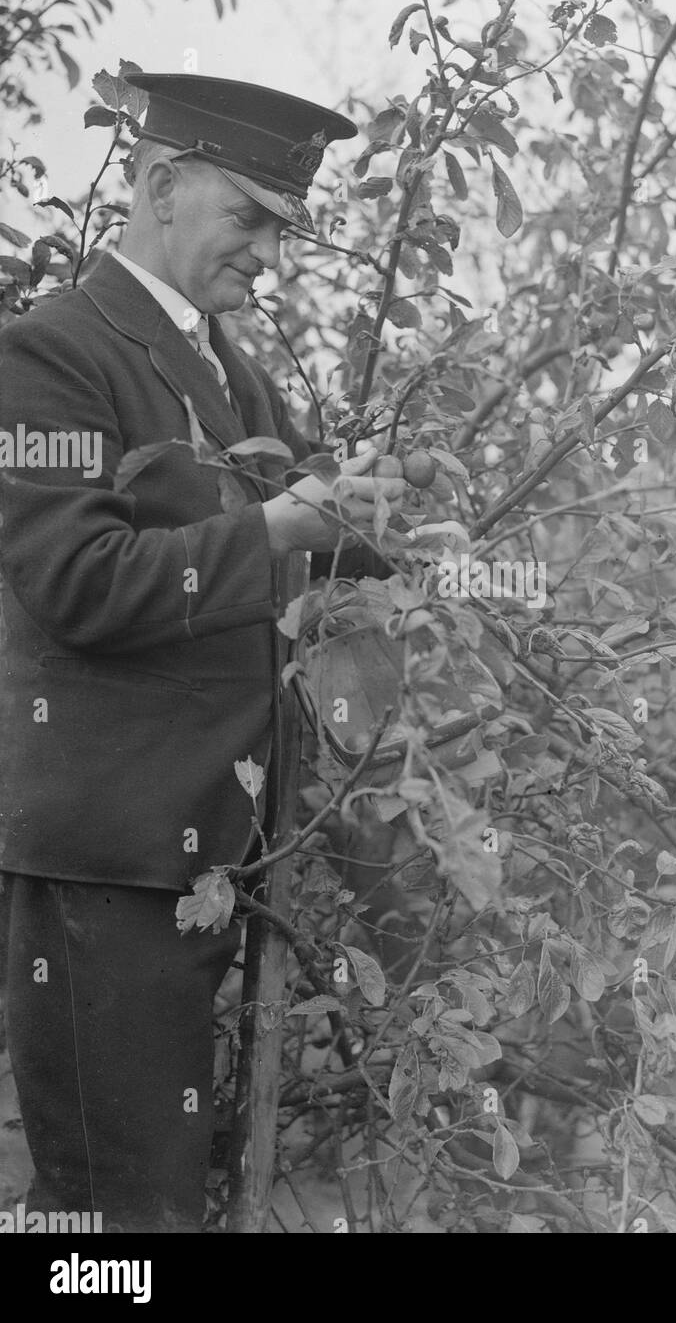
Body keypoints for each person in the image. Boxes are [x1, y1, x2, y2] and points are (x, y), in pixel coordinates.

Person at [0, 73, 405, 1232]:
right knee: (108, 1215)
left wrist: (391, 524)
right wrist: (284, 525)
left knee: (156, 1198)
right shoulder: (52, 351)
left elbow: (301, 532)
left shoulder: (227, 368)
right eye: (252, 217)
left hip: (205, 860)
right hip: (109, 862)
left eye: (286, 225)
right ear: (162, 187)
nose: (272, 252)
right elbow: (77, 583)